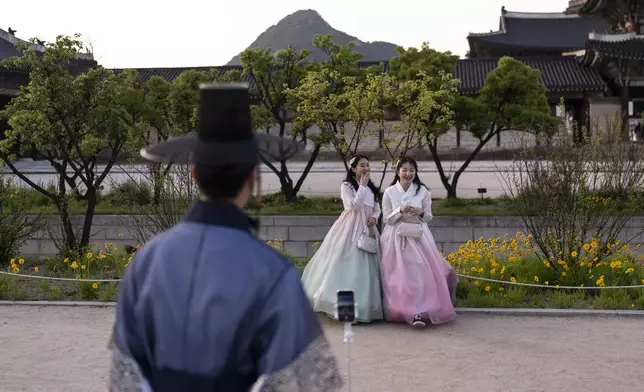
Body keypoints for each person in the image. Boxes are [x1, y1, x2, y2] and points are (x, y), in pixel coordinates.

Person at [108, 83, 343, 392]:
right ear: (253, 179)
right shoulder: (272, 272)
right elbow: (308, 381)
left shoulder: (146, 261)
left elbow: (125, 371)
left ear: (193, 174)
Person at [301, 155, 384, 323]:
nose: (366, 168)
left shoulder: (371, 188)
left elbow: (377, 207)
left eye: (367, 165)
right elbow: (351, 206)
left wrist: (375, 217)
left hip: (368, 228)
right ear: (354, 169)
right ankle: (342, 306)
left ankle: (365, 307)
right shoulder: (347, 186)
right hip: (350, 227)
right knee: (346, 263)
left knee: (368, 268)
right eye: (362, 165)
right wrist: (361, 186)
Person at [379, 157, 458, 328]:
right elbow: (387, 219)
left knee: (420, 275)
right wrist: (399, 210)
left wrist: (420, 212)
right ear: (398, 171)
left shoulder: (422, 191)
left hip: (419, 237)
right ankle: (402, 309)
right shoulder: (390, 192)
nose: (408, 173)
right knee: (399, 276)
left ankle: (420, 311)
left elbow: (428, 217)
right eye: (405, 170)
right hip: (396, 238)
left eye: (412, 170)